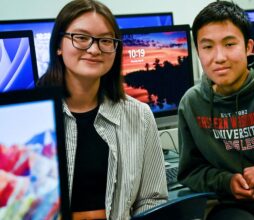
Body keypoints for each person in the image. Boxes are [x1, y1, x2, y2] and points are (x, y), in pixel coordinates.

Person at [37, 0, 168, 219]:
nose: (94, 49)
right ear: (58, 45)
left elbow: (151, 199)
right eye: (81, 38)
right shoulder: (30, 115)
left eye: (106, 40)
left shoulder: (139, 115)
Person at [177, 1, 254, 219]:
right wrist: (226, 182)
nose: (219, 57)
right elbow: (190, 171)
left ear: (248, 47)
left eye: (229, 44)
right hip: (233, 205)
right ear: (198, 51)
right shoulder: (192, 104)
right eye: (208, 47)